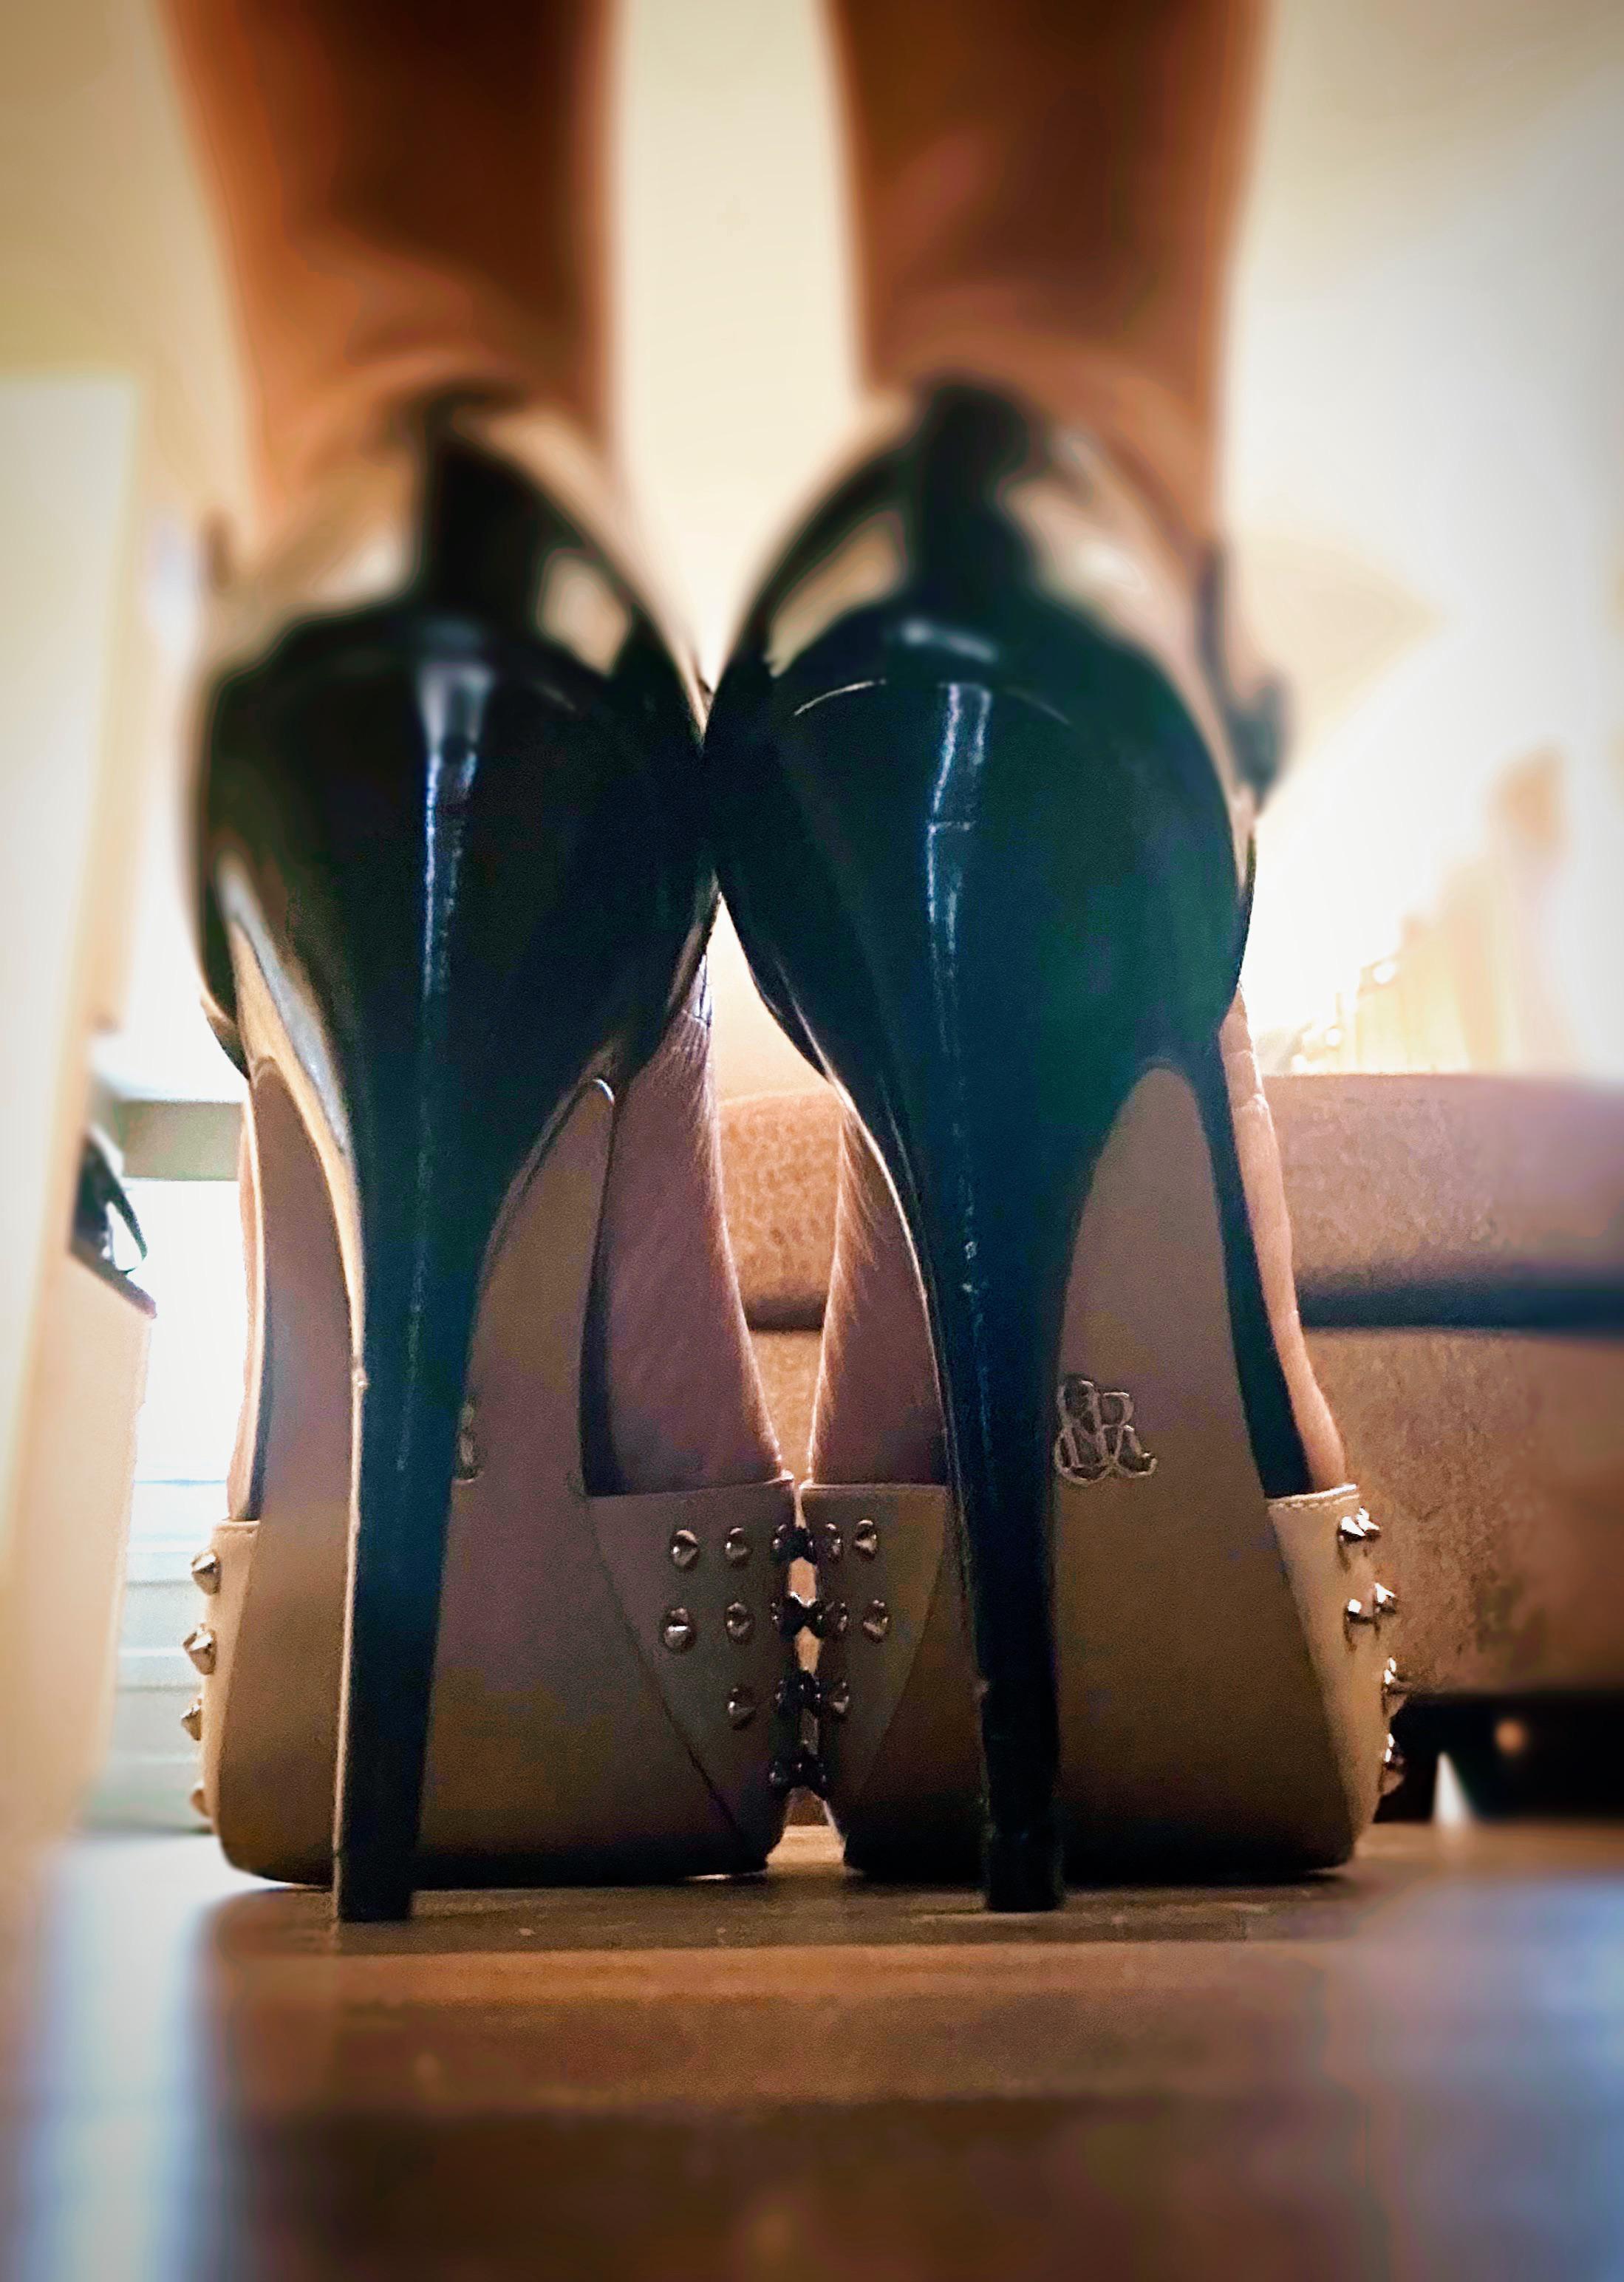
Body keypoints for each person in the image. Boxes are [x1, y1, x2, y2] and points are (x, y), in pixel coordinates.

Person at [166, 0, 1393, 1921]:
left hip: (351, 661)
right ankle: (1063, 496)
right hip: (1078, 655)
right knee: (1054, 334)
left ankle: (393, 492)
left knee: (396, 326)